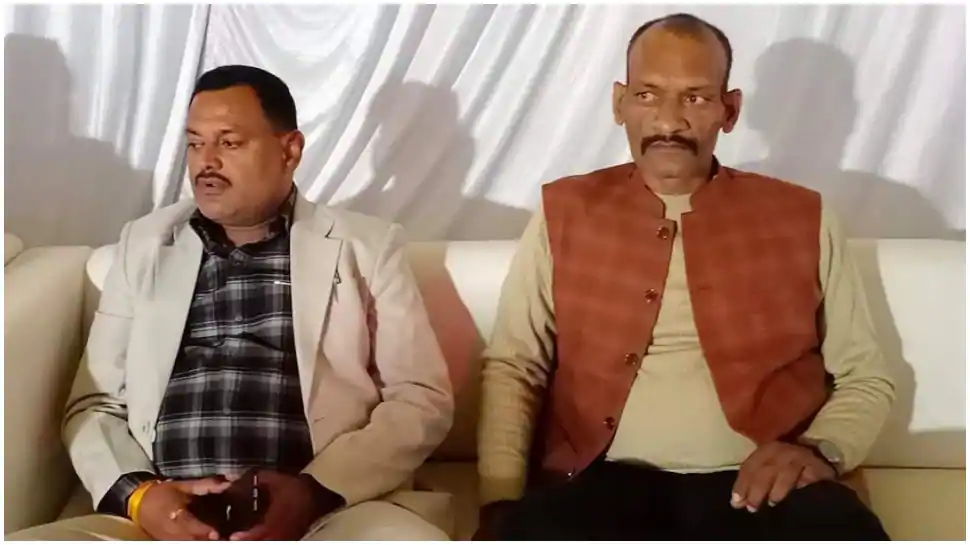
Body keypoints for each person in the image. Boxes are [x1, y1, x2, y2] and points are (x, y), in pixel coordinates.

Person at [475, 13, 895, 540]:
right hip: (598, 482)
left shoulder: (803, 216)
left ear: (729, 110)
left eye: (695, 98)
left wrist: (817, 450)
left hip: (764, 483)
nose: (669, 123)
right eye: (648, 95)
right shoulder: (565, 209)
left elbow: (865, 376)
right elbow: (515, 364)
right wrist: (499, 499)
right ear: (619, 103)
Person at [7, 65, 454, 541]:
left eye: (229, 142)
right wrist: (140, 495)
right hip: (159, 519)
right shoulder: (144, 244)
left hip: (328, 513)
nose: (206, 162)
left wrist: (314, 491)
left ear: (289, 150)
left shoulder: (366, 246)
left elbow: (420, 397)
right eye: (195, 143)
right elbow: (95, 403)